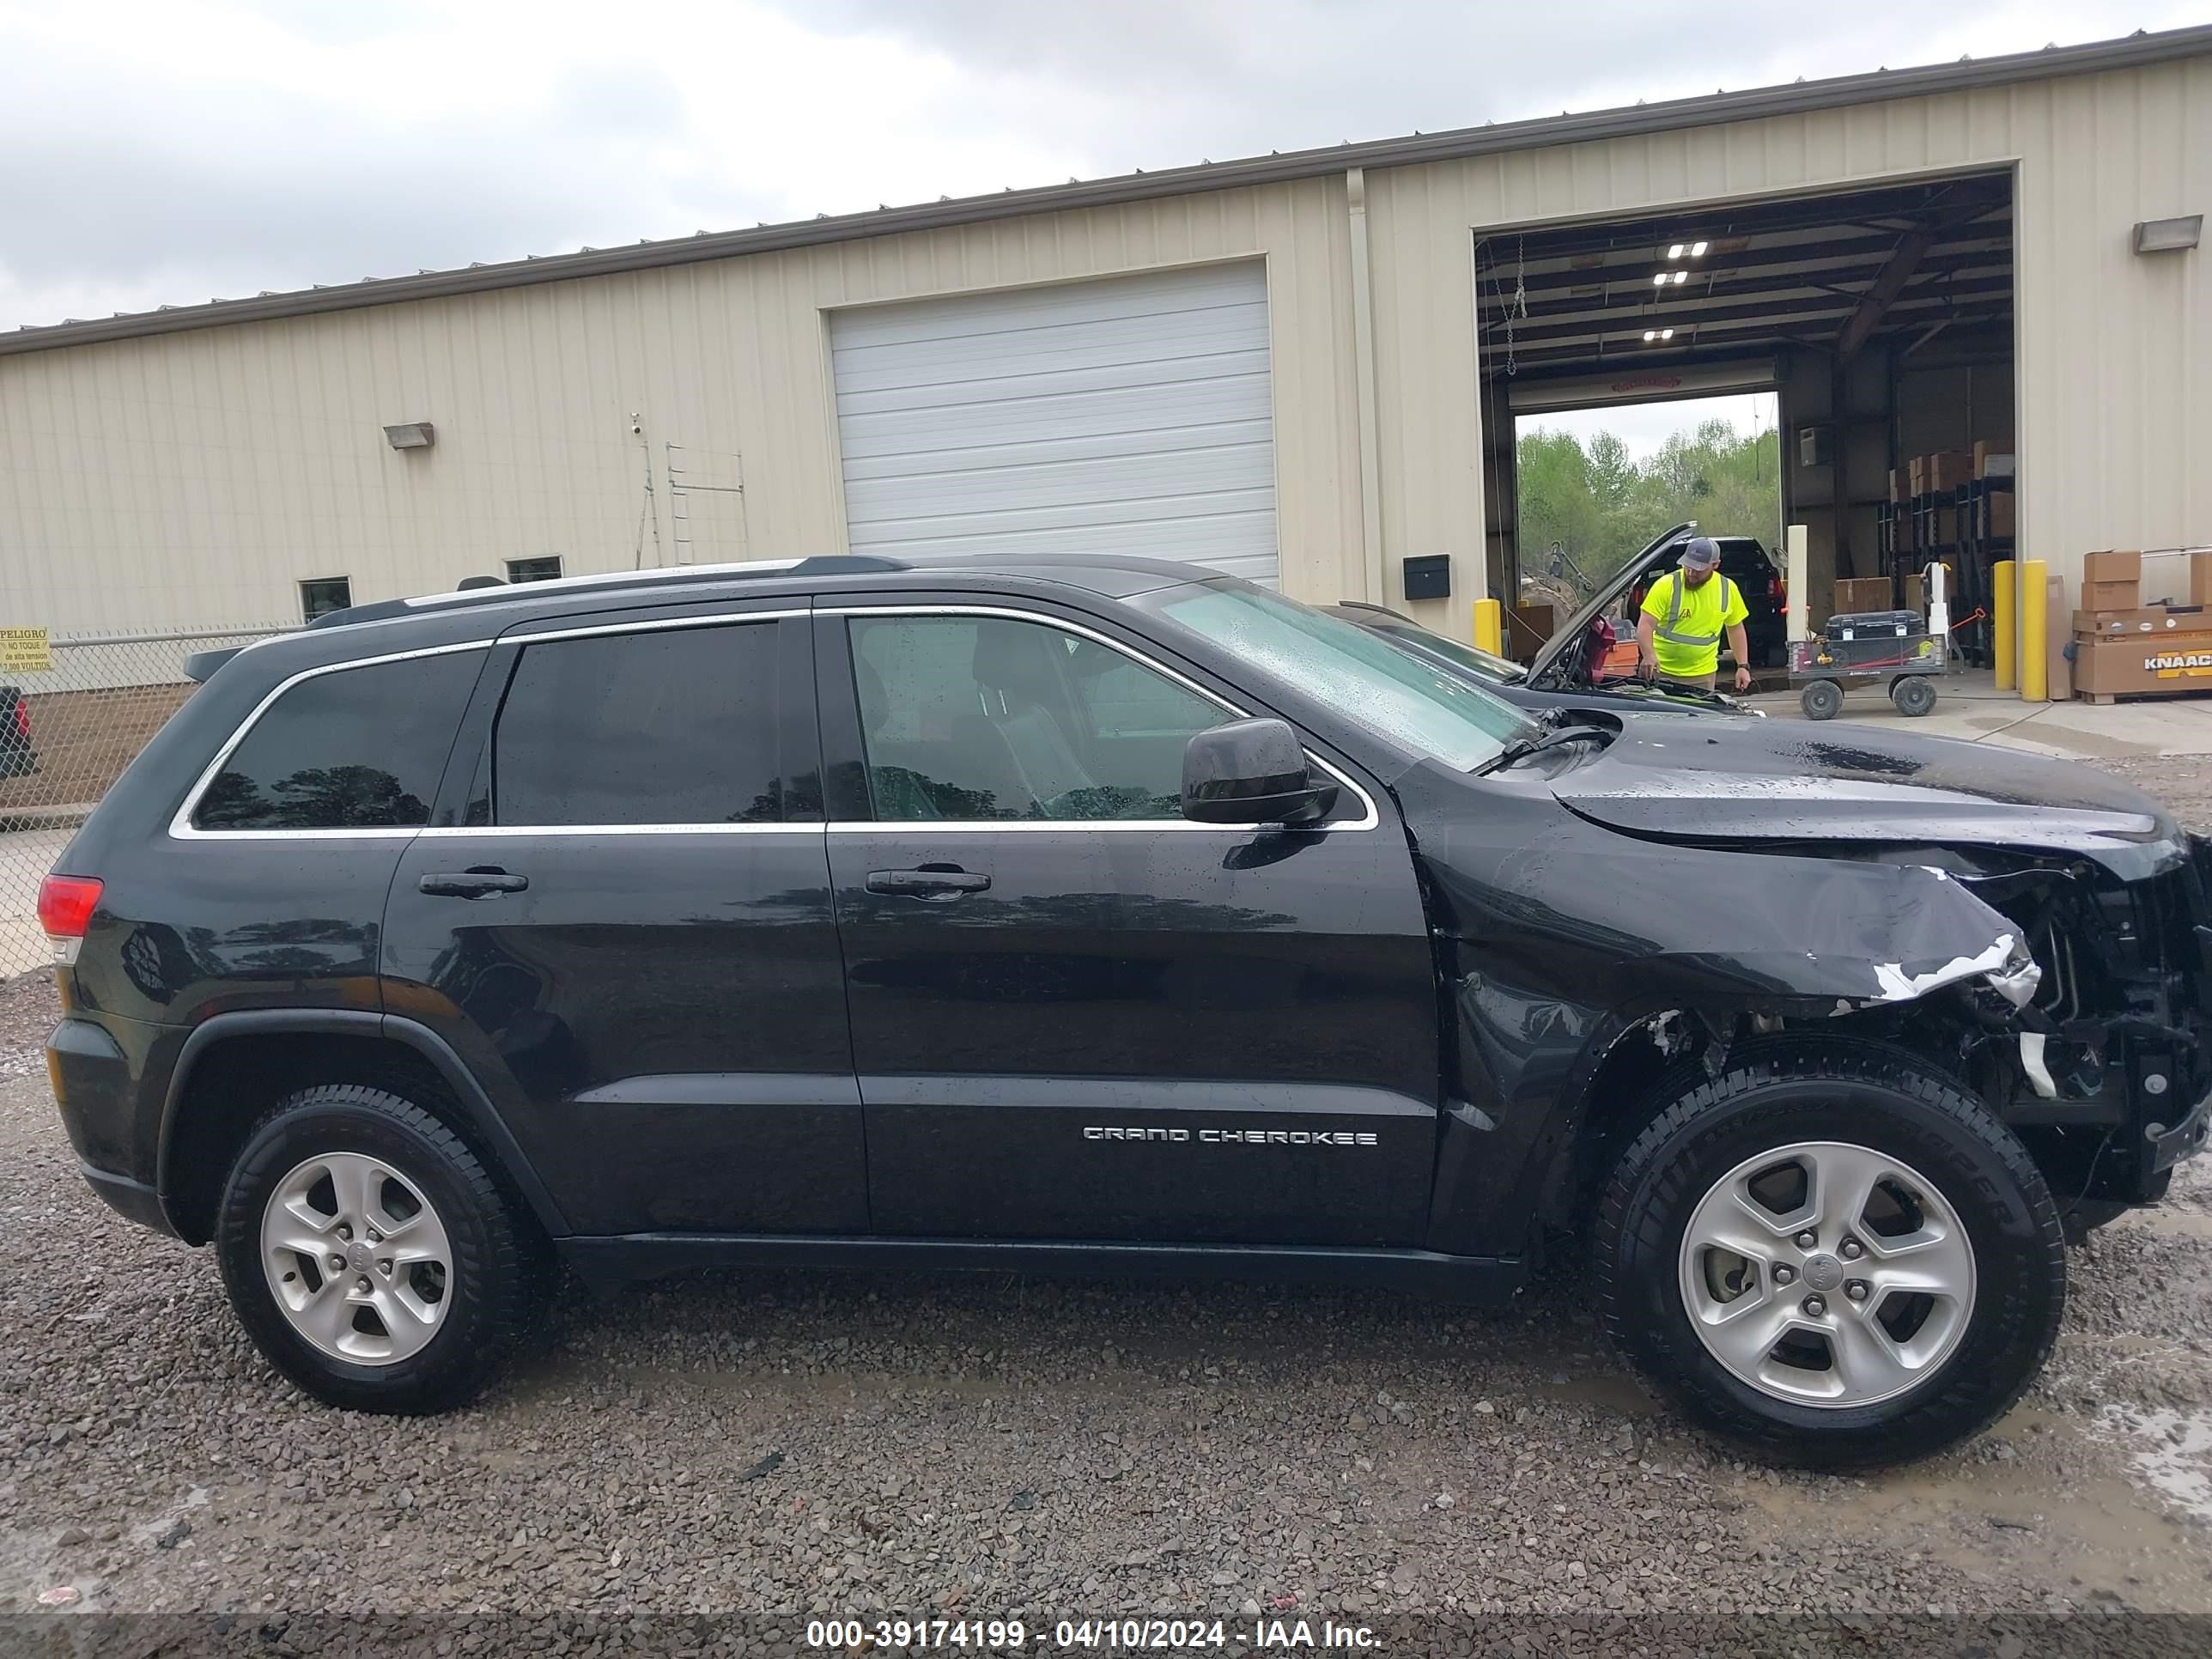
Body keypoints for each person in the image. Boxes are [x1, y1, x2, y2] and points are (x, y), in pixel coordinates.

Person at [1636, 537, 1752, 693]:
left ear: (1715, 565)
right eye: (1687, 566)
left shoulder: (1728, 589)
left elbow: (1735, 629)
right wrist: (1649, 656)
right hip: (1662, 672)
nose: (1691, 573)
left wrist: (1742, 666)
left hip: (1703, 676)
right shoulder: (1665, 585)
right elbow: (1645, 625)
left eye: (1698, 569)